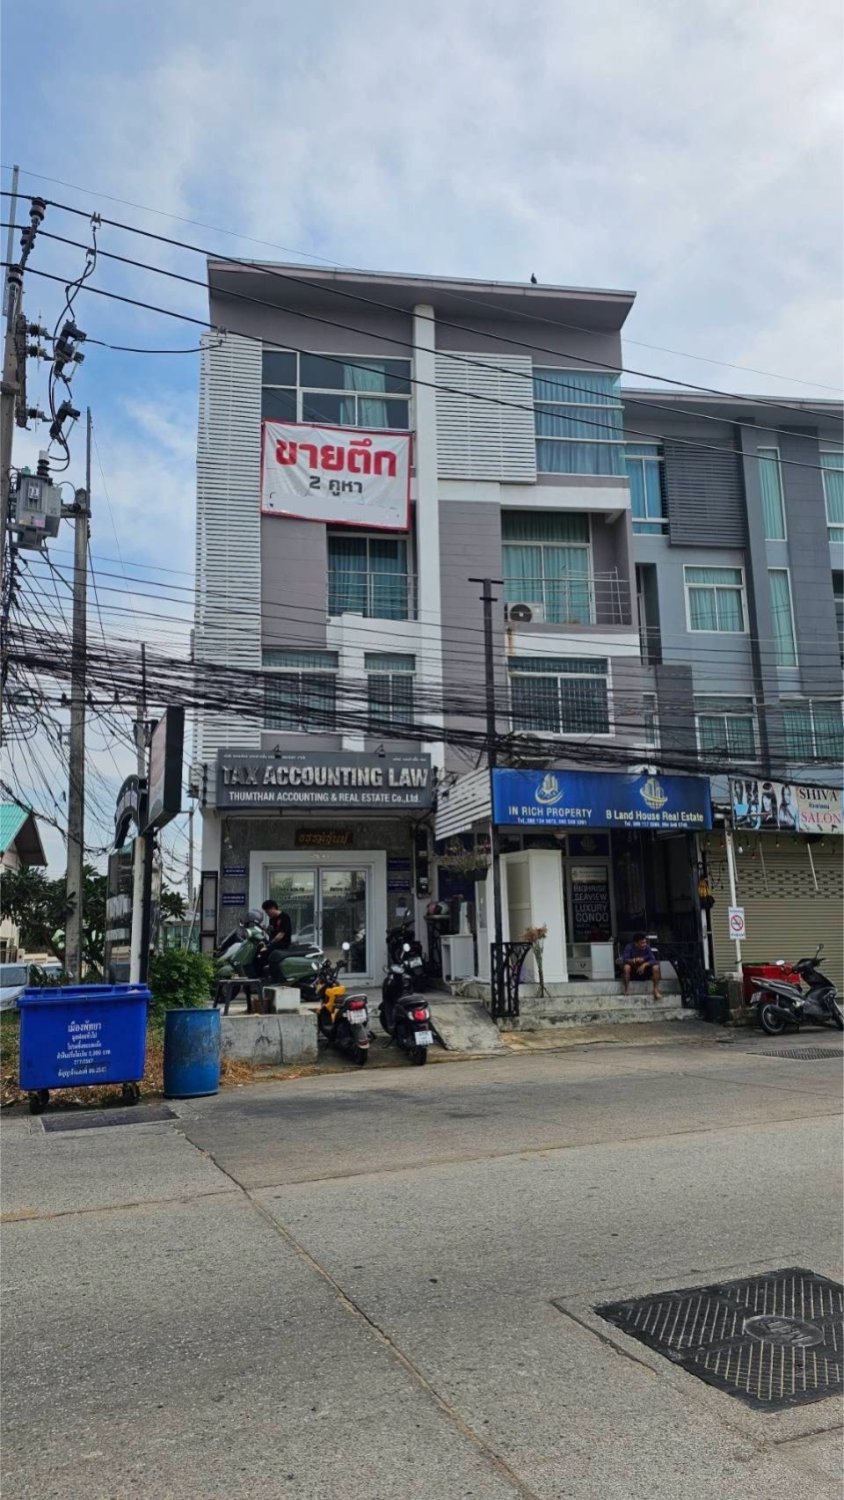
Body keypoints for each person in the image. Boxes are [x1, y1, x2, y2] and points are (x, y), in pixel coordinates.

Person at [259, 899, 292, 980]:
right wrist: (264, 929)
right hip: (274, 943)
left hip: (283, 944)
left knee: (264, 953)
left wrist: (269, 945)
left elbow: (281, 935)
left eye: (268, 912)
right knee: (259, 948)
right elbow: (271, 933)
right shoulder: (272, 919)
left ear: (273, 908)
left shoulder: (284, 917)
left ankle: (268, 976)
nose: (267, 914)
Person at [621, 933, 662, 999]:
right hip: (633, 972)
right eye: (642, 943)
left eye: (645, 942)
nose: (644, 944)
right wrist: (634, 960)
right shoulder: (629, 947)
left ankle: (656, 990)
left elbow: (654, 960)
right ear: (636, 943)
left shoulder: (647, 947)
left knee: (656, 967)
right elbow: (625, 960)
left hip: (645, 972)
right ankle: (627, 989)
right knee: (626, 967)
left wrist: (644, 964)